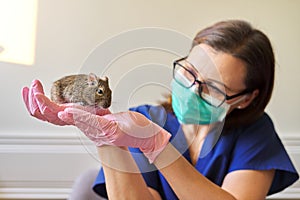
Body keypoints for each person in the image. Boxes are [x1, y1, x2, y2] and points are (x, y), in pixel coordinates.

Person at [22, 19, 299, 200]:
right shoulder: (142, 120)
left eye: (213, 87)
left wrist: (157, 146)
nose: (191, 90)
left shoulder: (255, 134)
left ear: (246, 99)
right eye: (188, 72)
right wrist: (105, 138)